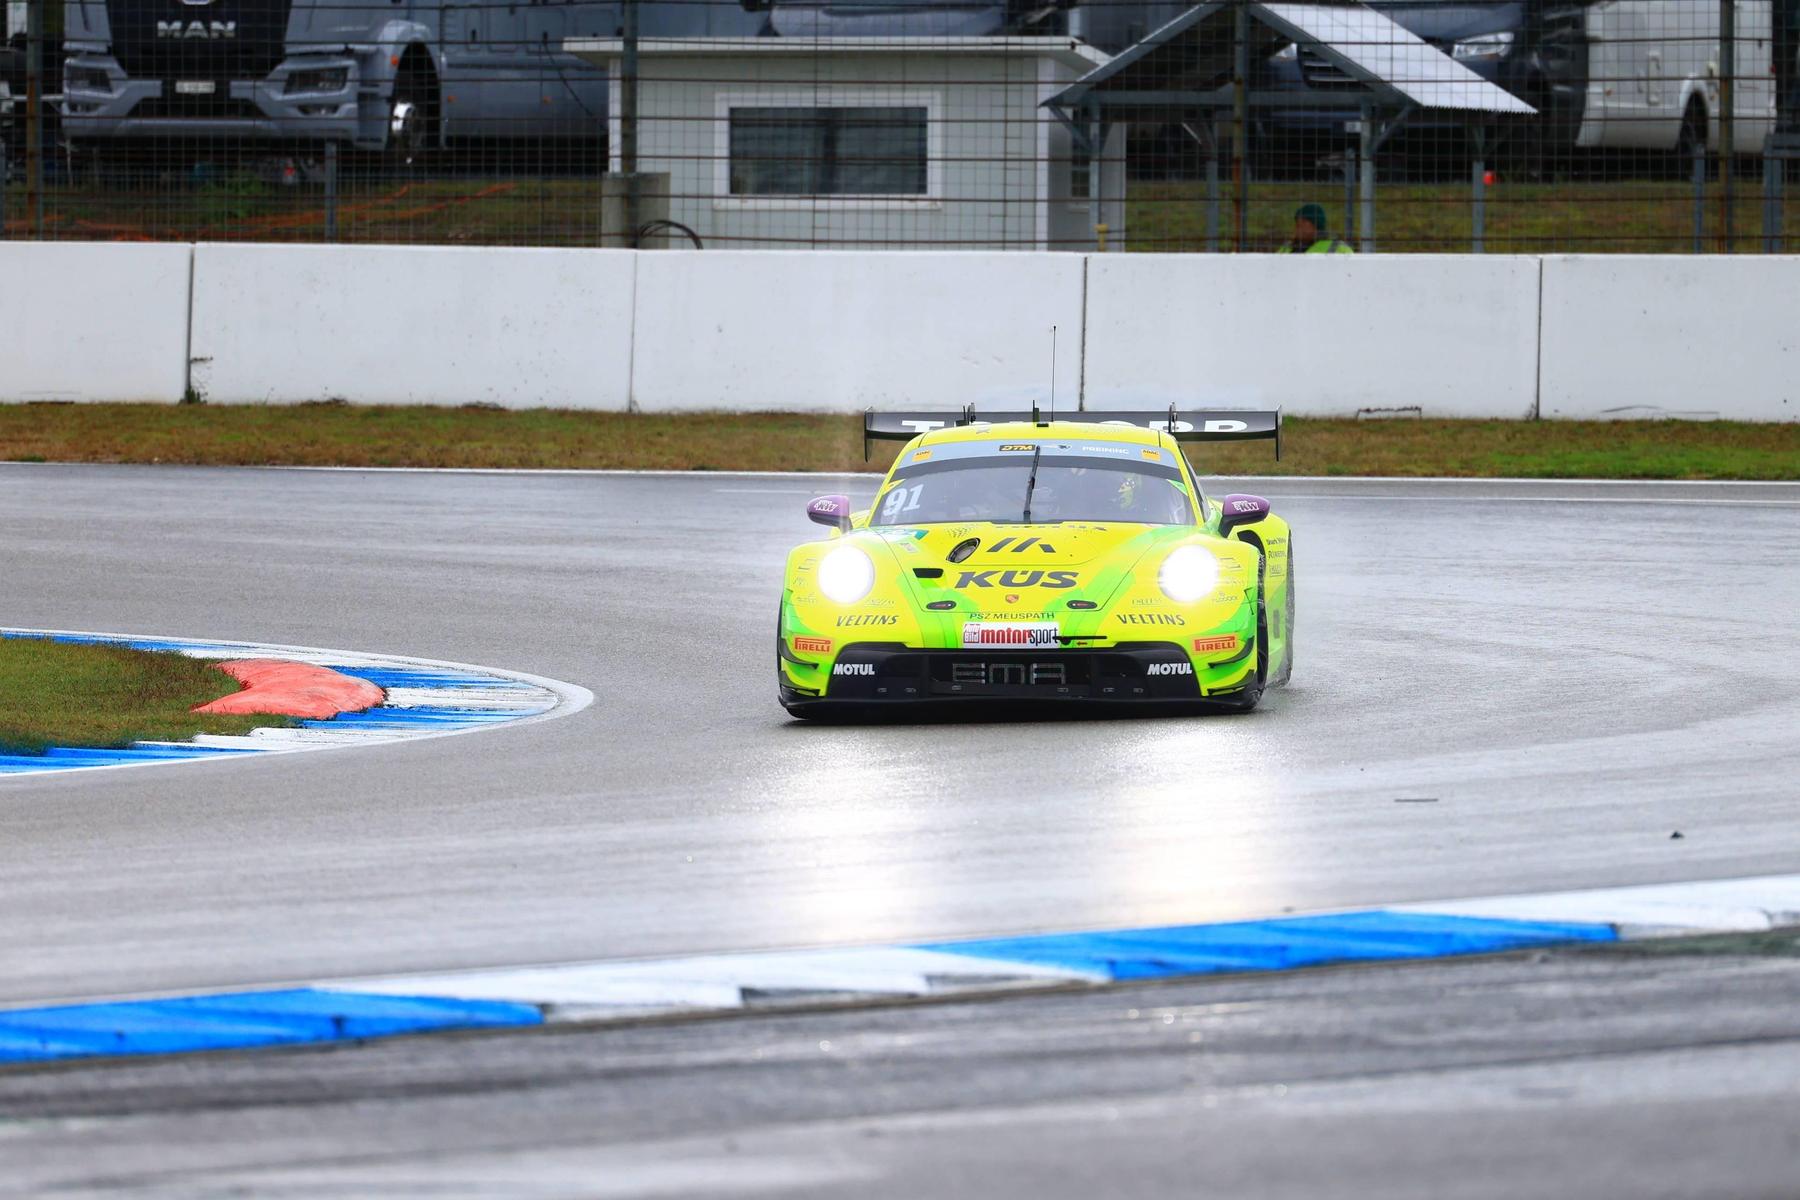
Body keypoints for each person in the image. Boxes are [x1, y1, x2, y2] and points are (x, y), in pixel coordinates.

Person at [1278, 203, 1355, 254]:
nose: (1299, 225)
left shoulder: (1338, 248)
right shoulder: (1286, 248)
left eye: (1304, 221)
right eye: (1297, 221)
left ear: (1316, 225)